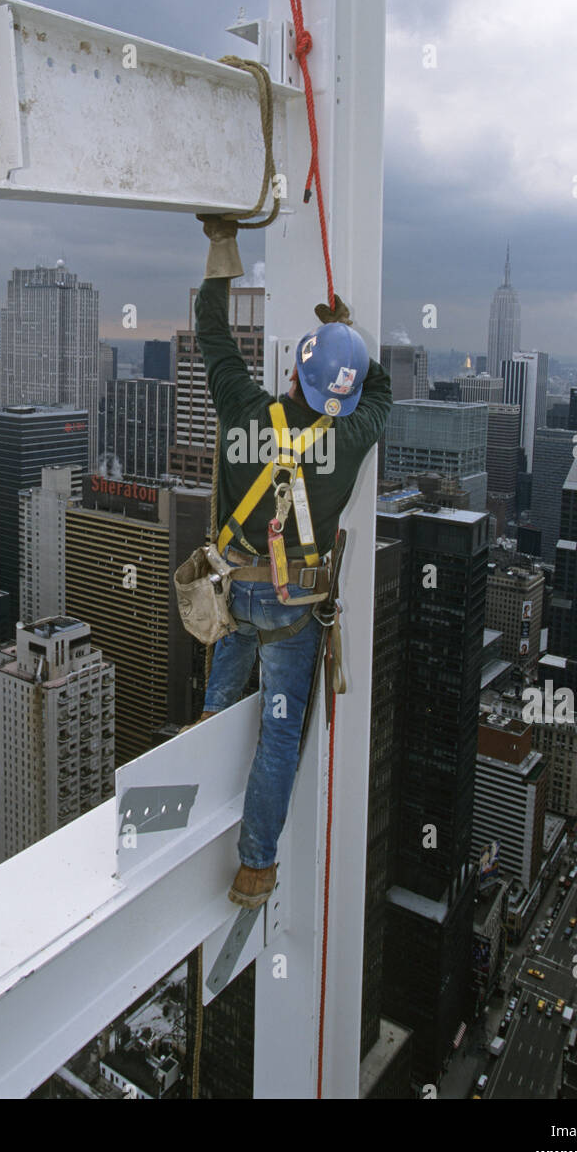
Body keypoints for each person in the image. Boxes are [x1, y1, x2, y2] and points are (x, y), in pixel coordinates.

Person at [187, 216, 392, 909]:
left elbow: (212, 333)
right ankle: (254, 869)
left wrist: (223, 248)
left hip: (234, 591)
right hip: (295, 608)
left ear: (294, 372)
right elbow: (381, 394)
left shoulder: (246, 412)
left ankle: (192, 820)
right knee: (278, 735)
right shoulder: (353, 435)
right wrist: (351, 339)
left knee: (218, 710)